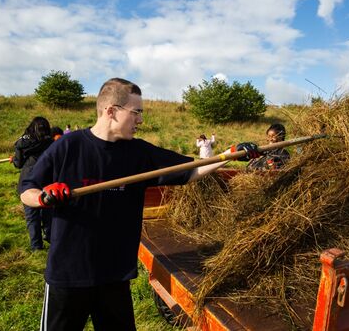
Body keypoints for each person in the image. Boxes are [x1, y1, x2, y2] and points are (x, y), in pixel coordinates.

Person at [19, 78, 261, 330]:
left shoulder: (139, 153)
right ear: (111, 111)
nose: (140, 120)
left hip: (114, 275)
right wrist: (43, 196)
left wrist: (232, 153)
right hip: (68, 275)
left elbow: (191, 171)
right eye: (136, 112)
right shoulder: (68, 146)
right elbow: (27, 190)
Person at [12, 117, 53, 251]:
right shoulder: (51, 143)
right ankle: (50, 236)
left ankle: (36, 246)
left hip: (28, 181)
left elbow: (18, 164)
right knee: (48, 210)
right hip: (47, 180)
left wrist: (16, 158)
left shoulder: (23, 143)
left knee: (32, 215)